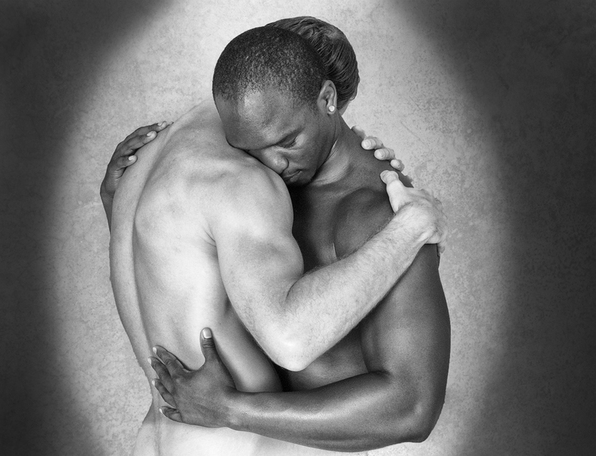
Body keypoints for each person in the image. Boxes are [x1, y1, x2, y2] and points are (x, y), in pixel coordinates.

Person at [102, 19, 447, 456]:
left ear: (327, 99)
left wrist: (231, 409)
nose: (273, 162)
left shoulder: (379, 213)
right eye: (252, 146)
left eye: (287, 140)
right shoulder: (248, 187)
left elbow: (412, 408)